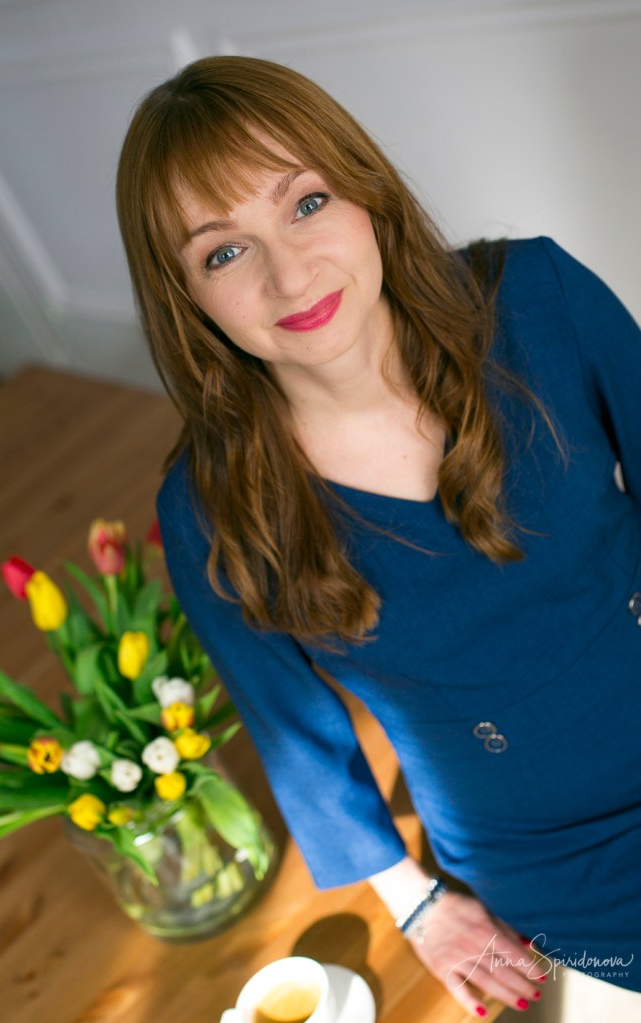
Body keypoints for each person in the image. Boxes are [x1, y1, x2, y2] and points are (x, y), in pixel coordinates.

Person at [116, 55, 641, 1019]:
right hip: (549, 863)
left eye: (306, 204)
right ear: (184, 296)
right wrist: (417, 904)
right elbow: (297, 740)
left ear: (365, 193)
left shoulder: (539, 298)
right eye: (223, 253)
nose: (290, 274)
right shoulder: (209, 509)